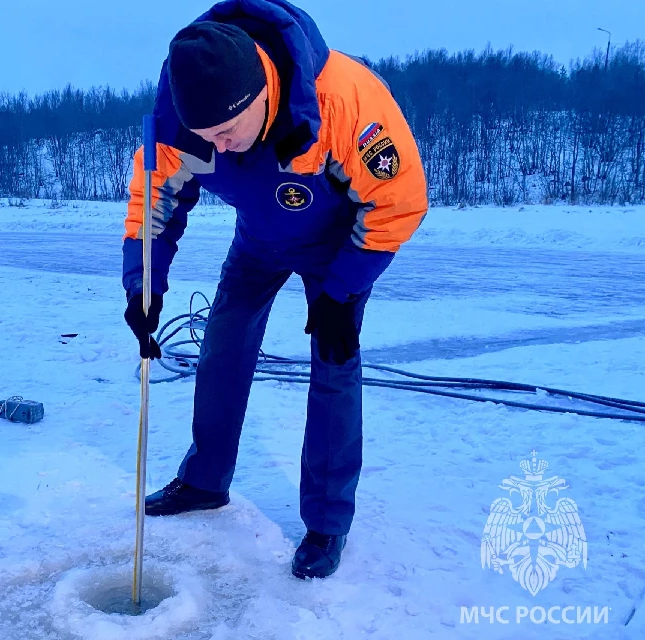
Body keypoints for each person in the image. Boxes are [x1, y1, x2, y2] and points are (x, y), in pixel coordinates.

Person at [122, 0, 428, 579]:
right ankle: (205, 481)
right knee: (222, 347)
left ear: (262, 88)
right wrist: (144, 283)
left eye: (229, 130)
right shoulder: (179, 120)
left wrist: (342, 292)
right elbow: (154, 199)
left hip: (341, 246)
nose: (221, 145)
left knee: (334, 365)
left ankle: (327, 523)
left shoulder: (343, 100)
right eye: (205, 135)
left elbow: (397, 201)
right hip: (259, 242)